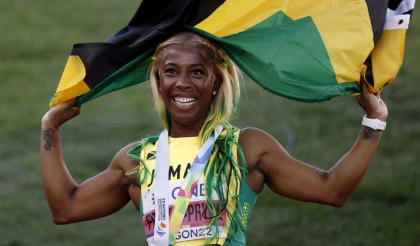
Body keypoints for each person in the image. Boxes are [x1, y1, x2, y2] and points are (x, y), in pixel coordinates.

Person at [40, 32, 388, 245]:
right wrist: (50, 129)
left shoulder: (247, 148)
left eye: (197, 72)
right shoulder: (138, 160)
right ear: (158, 81)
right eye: (171, 72)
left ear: (216, 81)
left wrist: (375, 122)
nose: (183, 84)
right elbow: (66, 208)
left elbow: (332, 190)